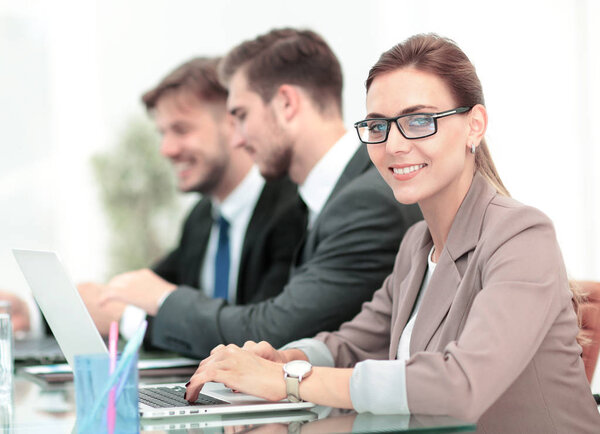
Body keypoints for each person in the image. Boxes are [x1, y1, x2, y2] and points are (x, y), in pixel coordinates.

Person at [184, 34, 600, 432]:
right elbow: (353, 345)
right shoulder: (417, 246)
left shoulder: (522, 236)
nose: (395, 144)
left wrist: (288, 383)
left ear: (475, 125)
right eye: (379, 126)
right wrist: (283, 358)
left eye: (419, 120)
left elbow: (459, 386)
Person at [102, 28, 421, 357]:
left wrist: (162, 300)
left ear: (286, 104)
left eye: (241, 115)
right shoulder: (320, 201)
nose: (237, 138)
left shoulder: (366, 203)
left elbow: (273, 333)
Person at [77, 57, 307, 355]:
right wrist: (33, 312)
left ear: (232, 122)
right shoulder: (201, 219)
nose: (167, 149)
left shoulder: (292, 210)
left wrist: (129, 319)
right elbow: (137, 291)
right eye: (162, 133)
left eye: (181, 130)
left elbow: (259, 337)